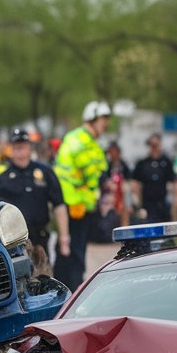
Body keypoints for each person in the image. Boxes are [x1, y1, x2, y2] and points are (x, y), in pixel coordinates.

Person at [0, 128, 68, 277]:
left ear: (30, 147)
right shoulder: (3, 179)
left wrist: (64, 238)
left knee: (44, 279)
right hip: (15, 242)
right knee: (21, 281)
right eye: (16, 147)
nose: (20, 151)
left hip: (40, 239)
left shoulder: (44, 172)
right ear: (11, 149)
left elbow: (59, 205)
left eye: (23, 146)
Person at [53, 100, 110, 290]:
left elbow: (102, 168)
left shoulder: (90, 141)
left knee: (77, 250)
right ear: (92, 118)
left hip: (82, 205)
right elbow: (92, 170)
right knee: (72, 252)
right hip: (73, 204)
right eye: (103, 118)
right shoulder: (79, 140)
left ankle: (70, 288)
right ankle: (70, 291)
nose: (106, 123)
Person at [130, 133, 177, 224]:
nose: (154, 148)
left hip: (162, 203)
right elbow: (135, 185)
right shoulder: (143, 163)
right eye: (152, 145)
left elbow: (174, 182)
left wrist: (174, 205)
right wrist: (138, 206)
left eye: (156, 145)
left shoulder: (166, 162)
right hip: (147, 204)